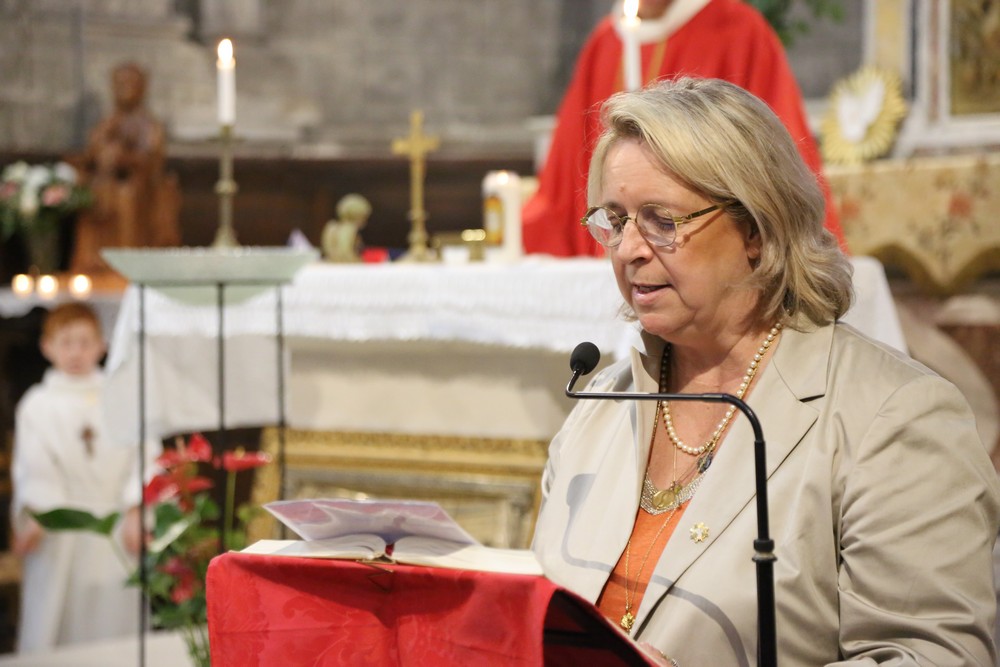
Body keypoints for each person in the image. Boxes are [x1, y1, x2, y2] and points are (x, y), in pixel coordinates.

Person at [530, 78, 1000, 665]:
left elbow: (933, 657)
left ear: (756, 228)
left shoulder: (895, 417)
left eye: (661, 220)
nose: (628, 249)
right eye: (615, 220)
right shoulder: (601, 406)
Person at [522, 0, 846, 257]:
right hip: (613, 252)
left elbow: (776, 157)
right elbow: (565, 176)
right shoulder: (605, 42)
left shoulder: (738, 31)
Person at [10, 303, 154, 652]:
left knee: (114, 623)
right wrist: (40, 515)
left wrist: (136, 509)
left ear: (102, 346)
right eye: (66, 342)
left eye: (85, 342)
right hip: (60, 530)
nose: (75, 352)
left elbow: (146, 454)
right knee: (58, 622)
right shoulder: (37, 405)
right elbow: (35, 467)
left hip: (117, 527)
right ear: (47, 347)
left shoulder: (122, 396)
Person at [70, 62, 181, 273]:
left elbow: (152, 161)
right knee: (88, 194)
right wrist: (98, 154)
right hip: (106, 184)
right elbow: (93, 150)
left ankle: (126, 264)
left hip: (141, 188)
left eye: (130, 83)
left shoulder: (149, 125)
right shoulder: (108, 122)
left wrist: (124, 158)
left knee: (125, 195)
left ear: (142, 88)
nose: (124, 88)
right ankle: (94, 262)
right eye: (120, 83)